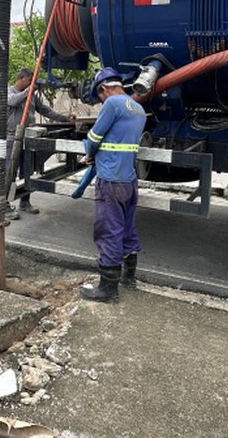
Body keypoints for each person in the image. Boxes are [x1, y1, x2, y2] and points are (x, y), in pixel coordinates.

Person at [80, 67, 147, 303]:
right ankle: (129, 278)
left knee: (108, 230)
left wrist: (89, 154)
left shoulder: (112, 104)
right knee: (126, 228)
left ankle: (108, 289)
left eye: (99, 96)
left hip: (110, 180)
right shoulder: (138, 109)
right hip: (129, 180)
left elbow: (95, 137)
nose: (101, 100)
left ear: (104, 89)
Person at [7, 67, 73, 220]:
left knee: (27, 172)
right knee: (10, 172)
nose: (33, 84)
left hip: (28, 139)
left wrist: (64, 118)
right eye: (30, 80)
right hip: (12, 139)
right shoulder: (9, 92)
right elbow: (13, 102)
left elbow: (45, 110)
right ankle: (4, 205)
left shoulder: (32, 96)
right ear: (22, 78)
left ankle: (25, 202)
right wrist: (29, 91)